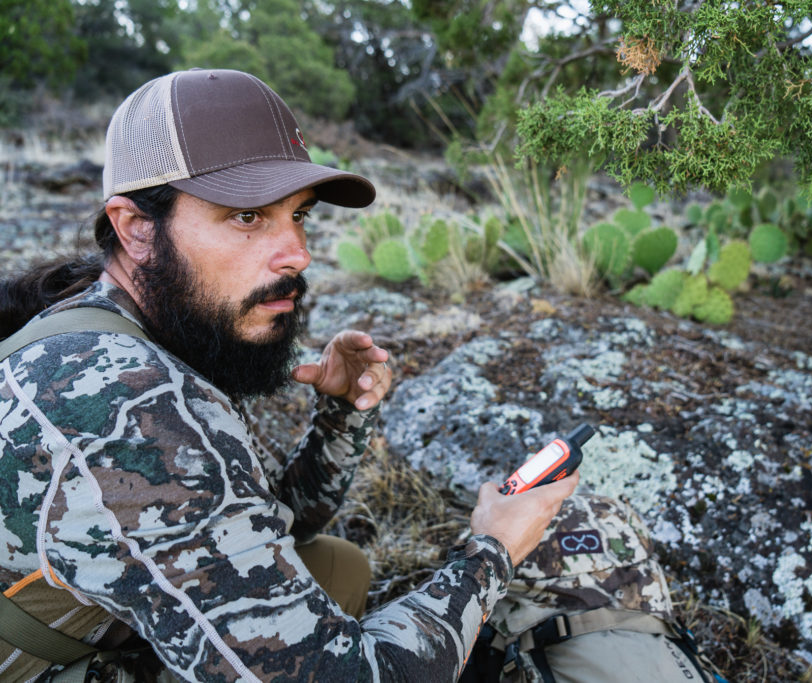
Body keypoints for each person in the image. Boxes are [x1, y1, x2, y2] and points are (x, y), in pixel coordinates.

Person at [0, 68, 578, 682]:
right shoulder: (127, 400)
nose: (298, 253)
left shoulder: (134, 322)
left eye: (300, 215)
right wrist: (494, 550)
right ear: (137, 227)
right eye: (248, 217)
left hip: (87, 621)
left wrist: (340, 417)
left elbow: (250, 523)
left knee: (338, 568)